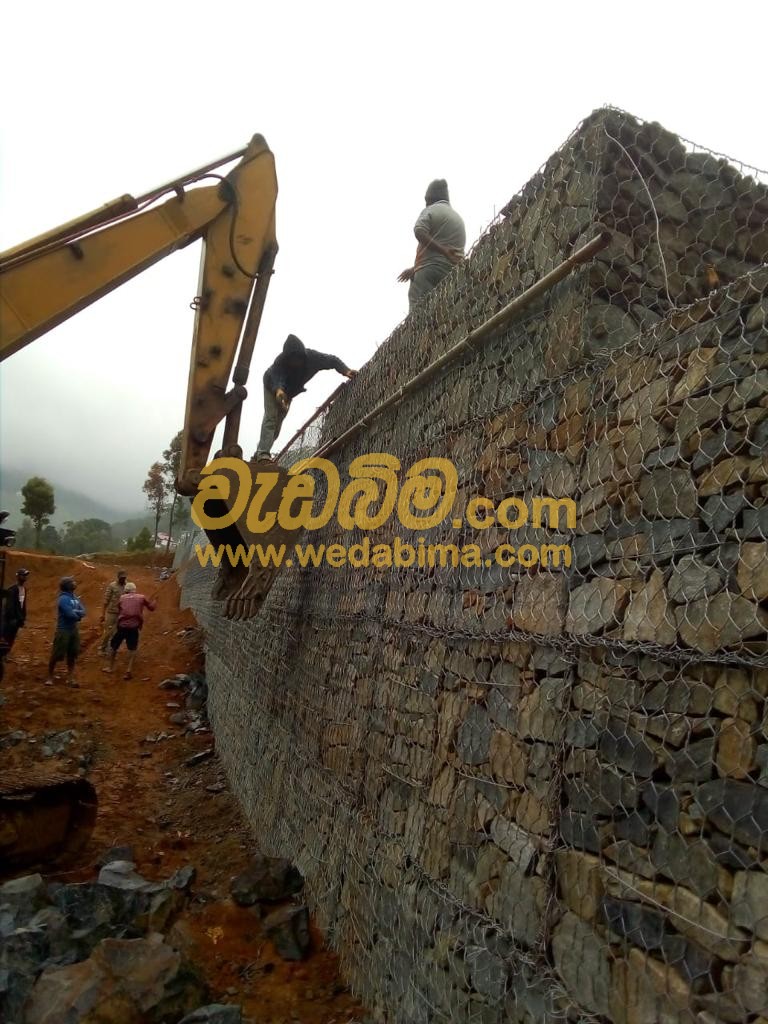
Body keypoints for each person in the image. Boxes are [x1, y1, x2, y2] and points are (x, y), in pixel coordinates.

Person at [255, 335, 357, 459]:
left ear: (302, 356)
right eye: (292, 360)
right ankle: (263, 454)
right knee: (271, 418)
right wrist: (278, 390)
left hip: (288, 393)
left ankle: (258, 454)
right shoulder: (280, 362)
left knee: (277, 425)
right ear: (287, 358)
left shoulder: (313, 358)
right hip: (272, 386)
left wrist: (346, 371)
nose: (295, 362)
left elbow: (332, 360)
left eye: (297, 359)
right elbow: (276, 375)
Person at [398, 179, 466, 311]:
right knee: (443, 311)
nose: (425, 203)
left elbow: (419, 231)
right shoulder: (457, 218)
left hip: (428, 272)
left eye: (426, 199)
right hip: (452, 272)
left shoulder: (431, 210)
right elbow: (445, 250)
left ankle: (417, 331)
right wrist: (414, 269)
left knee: (419, 314)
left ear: (431, 197)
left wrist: (444, 251)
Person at [104, 582, 155, 680]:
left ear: (126, 591)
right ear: (134, 590)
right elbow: (151, 608)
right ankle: (128, 671)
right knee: (132, 649)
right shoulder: (141, 597)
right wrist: (155, 601)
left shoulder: (122, 598)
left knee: (114, 646)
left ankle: (110, 667)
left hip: (122, 626)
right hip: (133, 627)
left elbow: (119, 609)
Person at [45, 577, 86, 688]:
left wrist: (76, 612)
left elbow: (84, 611)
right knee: (56, 654)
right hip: (63, 630)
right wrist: (78, 614)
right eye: (72, 582)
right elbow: (70, 614)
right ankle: (49, 676)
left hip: (72, 630)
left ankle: (70, 678)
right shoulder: (63, 599)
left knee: (72, 654)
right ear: (67, 585)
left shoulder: (74, 597)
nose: (75, 583)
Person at [99, 570, 127, 655]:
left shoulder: (127, 586)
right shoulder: (112, 586)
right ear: (118, 577)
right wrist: (103, 614)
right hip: (112, 612)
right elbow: (106, 600)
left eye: (124, 578)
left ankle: (112, 649)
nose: (123, 579)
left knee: (117, 633)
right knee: (108, 631)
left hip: (122, 613)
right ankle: (102, 648)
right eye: (122, 578)